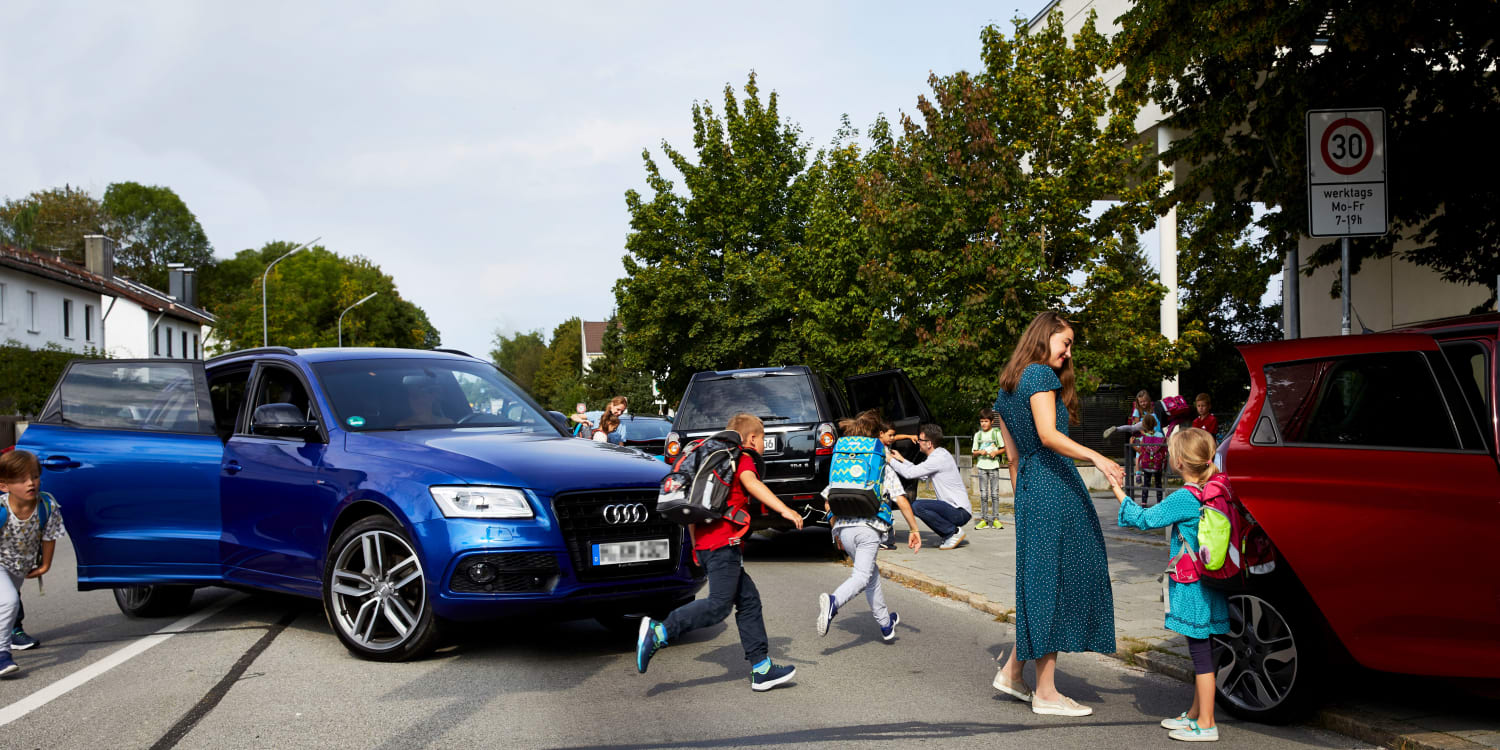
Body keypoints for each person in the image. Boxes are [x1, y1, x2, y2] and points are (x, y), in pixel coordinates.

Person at [990, 311, 1124, 718]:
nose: (1068, 353)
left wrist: (1026, 502)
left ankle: (1013, 673)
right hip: (1054, 485)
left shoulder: (1006, 387)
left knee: (1042, 580)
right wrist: (1098, 458)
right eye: (1065, 343)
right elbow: (1049, 436)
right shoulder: (1040, 376)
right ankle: (1046, 693)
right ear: (1045, 336)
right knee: (1059, 581)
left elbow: (1012, 458)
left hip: (1031, 489)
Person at [635, 413, 804, 692]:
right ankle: (660, 631)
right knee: (718, 606)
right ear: (752, 438)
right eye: (762, 439)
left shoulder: (711, 456)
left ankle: (761, 668)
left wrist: (696, 547)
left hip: (708, 543)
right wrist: (785, 510)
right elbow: (752, 483)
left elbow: (690, 508)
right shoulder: (742, 457)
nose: (762, 445)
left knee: (748, 601)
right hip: (725, 544)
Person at [1114, 427, 1231, 742]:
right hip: (1216, 580)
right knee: (1208, 648)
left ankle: (1207, 724)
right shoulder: (1220, 486)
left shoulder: (1184, 496)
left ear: (1179, 462)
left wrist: (1117, 488)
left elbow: (1143, 520)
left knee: (1200, 653)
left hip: (1193, 585)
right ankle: (1195, 714)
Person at [815, 410, 922, 642]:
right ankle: (834, 602)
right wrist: (914, 529)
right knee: (862, 576)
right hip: (869, 527)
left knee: (871, 576)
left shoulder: (841, 462)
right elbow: (901, 499)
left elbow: (827, 501)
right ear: (875, 437)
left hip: (843, 526)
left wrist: (837, 533)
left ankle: (886, 624)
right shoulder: (880, 465)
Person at [0, 450, 66, 677]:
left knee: (7, 606)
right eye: (21, 480)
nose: (30, 483)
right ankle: (2, 656)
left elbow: (49, 536)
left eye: (35, 477)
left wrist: (45, 565)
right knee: (8, 602)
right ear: (4, 485)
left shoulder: (46, 506)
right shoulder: (1, 510)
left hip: (19, 566)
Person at [889, 424, 972, 550]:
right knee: (921, 507)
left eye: (921, 440)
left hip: (959, 511)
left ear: (929, 443)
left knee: (917, 506)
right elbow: (919, 473)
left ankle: (952, 532)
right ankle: (947, 535)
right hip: (957, 509)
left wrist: (889, 460)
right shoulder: (940, 454)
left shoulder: (937, 459)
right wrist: (901, 459)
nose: (918, 443)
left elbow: (909, 473)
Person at [972, 409, 1005, 531]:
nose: (983, 424)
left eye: (986, 421)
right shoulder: (978, 435)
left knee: (995, 494)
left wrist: (995, 452)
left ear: (992, 421)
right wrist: (980, 452)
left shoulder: (996, 434)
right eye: (981, 421)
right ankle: (984, 519)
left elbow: (1003, 448)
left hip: (994, 467)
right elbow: (974, 452)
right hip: (982, 467)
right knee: (983, 495)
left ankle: (996, 519)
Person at [1133, 414, 1167, 506]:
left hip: (1146, 463)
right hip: (1157, 463)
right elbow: (1165, 450)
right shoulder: (1160, 435)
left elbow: (1140, 451)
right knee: (1158, 483)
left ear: (1144, 425)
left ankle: (1144, 503)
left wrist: (1133, 445)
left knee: (1146, 484)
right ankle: (1159, 502)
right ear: (1155, 423)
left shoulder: (1143, 438)